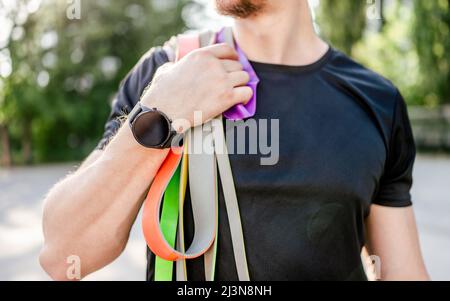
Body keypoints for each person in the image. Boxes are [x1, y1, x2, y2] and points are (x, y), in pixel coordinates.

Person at [39, 0, 430, 281]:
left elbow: (400, 271)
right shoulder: (168, 71)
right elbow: (64, 255)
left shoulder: (377, 101)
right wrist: (159, 115)